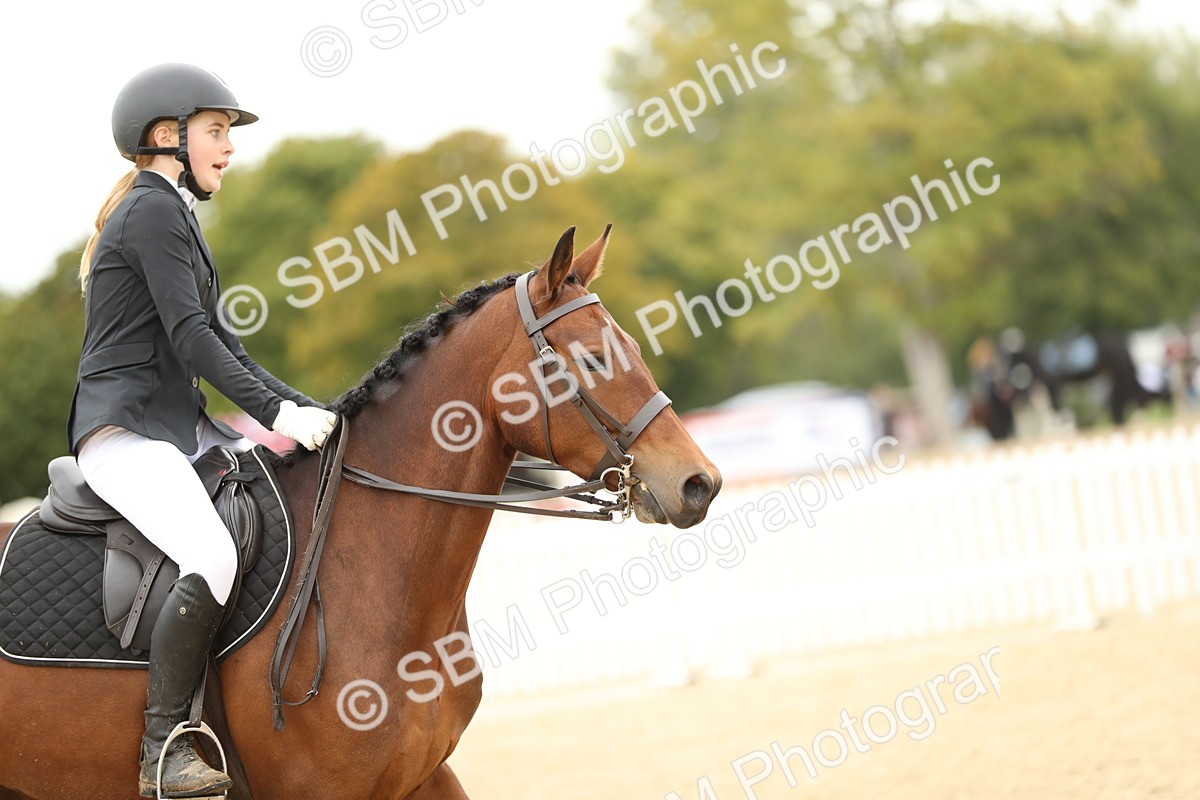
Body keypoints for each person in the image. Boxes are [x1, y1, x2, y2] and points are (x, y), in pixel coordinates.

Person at [66, 63, 337, 798]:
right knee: (212, 554)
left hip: (173, 427)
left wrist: (312, 409)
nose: (230, 148)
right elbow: (192, 339)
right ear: (167, 136)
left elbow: (225, 343)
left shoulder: (172, 210)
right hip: (123, 432)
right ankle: (163, 750)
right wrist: (279, 417)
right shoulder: (150, 211)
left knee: (276, 505)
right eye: (217, 132)